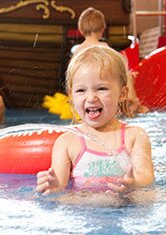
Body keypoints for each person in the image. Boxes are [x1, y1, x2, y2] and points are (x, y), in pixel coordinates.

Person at [36, 46, 154, 196]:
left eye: (102, 89)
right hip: (84, 207)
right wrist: (52, 187)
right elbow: (59, 186)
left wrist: (134, 185)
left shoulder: (135, 136)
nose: (91, 98)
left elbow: (146, 178)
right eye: (81, 90)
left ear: (122, 93)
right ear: (71, 96)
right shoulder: (67, 142)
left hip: (127, 207)